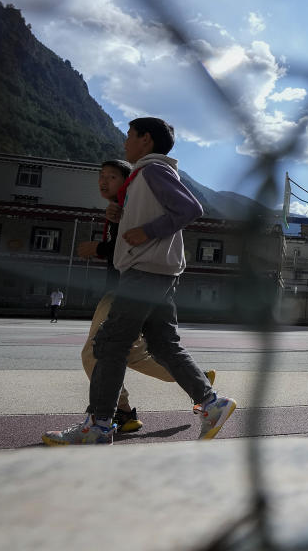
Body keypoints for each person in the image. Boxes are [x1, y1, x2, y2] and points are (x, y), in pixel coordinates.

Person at [42, 117, 235, 445]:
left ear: (146, 140)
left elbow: (190, 208)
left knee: (110, 345)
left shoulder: (152, 170)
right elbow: (156, 212)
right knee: (162, 344)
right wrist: (121, 214)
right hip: (155, 273)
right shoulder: (145, 175)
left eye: (130, 136)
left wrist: (147, 231)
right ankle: (212, 403)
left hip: (144, 272)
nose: (125, 142)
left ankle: (100, 424)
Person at [76, 158, 215, 433]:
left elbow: (136, 241)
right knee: (145, 350)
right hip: (143, 283)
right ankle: (195, 382)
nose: (104, 182)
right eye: (101, 176)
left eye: (112, 177)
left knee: (99, 351)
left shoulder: (142, 194)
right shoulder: (123, 209)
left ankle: (110, 416)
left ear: (128, 182)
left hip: (131, 286)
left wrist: (100, 248)